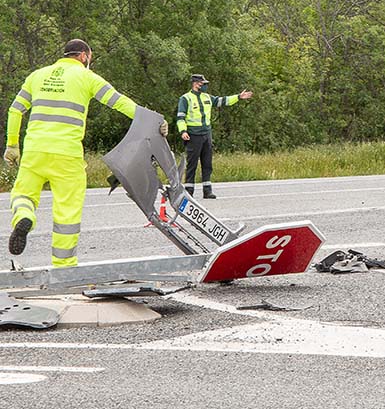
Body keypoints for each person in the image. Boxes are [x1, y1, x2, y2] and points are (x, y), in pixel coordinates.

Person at [4, 39, 168, 266]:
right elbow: (118, 102)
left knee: (23, 195)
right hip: (67, 155)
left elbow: (15, 110)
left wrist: (12, 145)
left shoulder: (37, 76)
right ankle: (64, 266)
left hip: (34, 151)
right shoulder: (87, 77)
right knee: (67, 212)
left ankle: (25, 217)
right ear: (84, 56)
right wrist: (152, 121)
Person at [175, 74, 253, 199]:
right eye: (202, 84)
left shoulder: (207, 97)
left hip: (206, 134)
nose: (205, 86)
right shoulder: (185, 98)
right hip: (193, 135)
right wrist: (183, 131)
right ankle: (189, 190)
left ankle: (207, 190)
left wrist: (238, 97)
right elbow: (180, 117)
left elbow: (222, 101)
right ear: (195, 84)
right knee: (192, 164)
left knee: (207, 163)